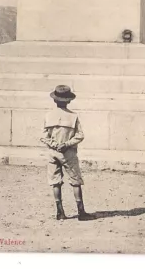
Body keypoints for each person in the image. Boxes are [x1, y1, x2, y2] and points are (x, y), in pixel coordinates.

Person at [40, 84, 95, 221]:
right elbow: (80, 135)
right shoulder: (73, 117)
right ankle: (81, 212)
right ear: (69, 100)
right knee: (75, 181)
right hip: (68, 153)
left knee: (55, 182)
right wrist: (66, 144)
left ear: (54, 100)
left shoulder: (48, 116)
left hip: (53, 152)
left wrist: (55, 145)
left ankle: (59, 212)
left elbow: (43, 136)